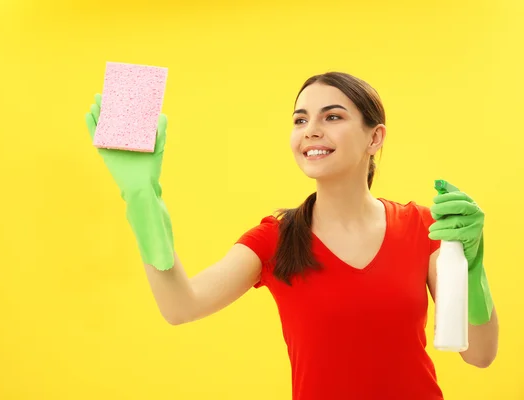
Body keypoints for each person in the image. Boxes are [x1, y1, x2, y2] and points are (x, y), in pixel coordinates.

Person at [84, 71, 499, 400]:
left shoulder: (425, 228)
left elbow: (479, 355)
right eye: (301, 120)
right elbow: (180, 306)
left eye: (332, 117)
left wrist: (472, 262)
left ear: (375, 137)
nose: (311, 130)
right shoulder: (276, 240)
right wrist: (142, 198)